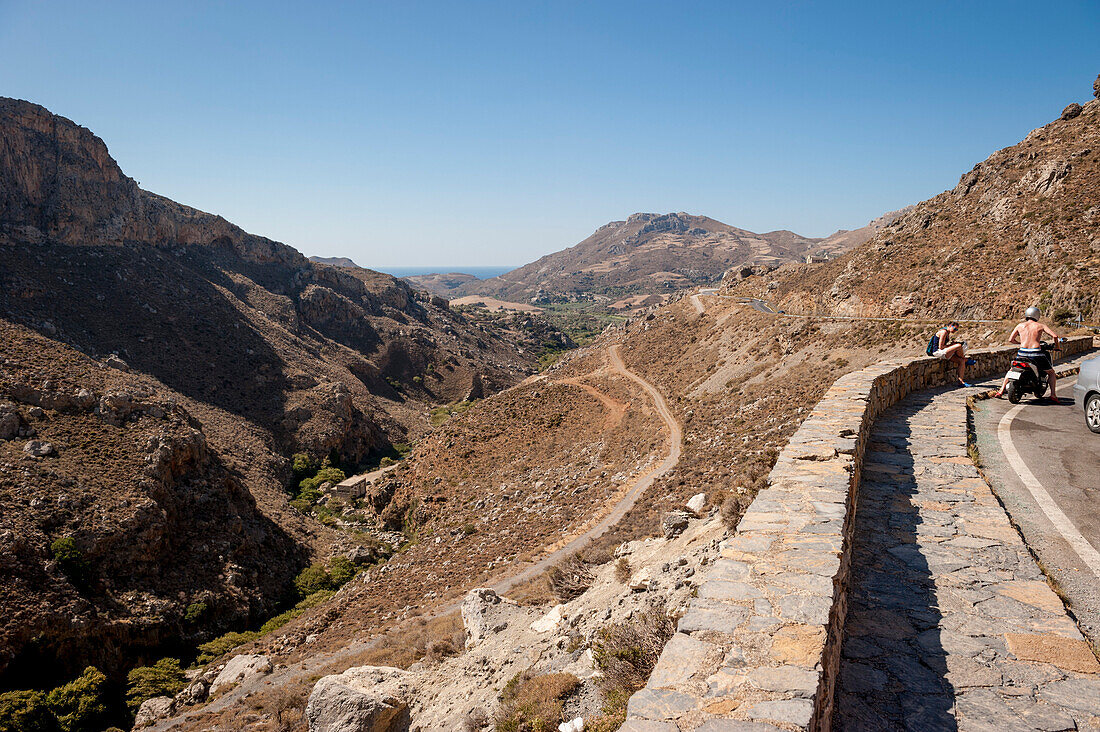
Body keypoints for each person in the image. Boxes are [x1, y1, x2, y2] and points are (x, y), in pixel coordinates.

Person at [994, 306, 1062, 401]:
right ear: (1037, 315)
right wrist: (1057, 347)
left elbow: (1011, 340)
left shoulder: (1020, 325)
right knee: (1051, 373)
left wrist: (1020, 343)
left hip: (1022, 353)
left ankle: (1001, 390)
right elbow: (1055, 336)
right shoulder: (1040, 326)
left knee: (1011, 370)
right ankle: (1053, 395)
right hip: (1036, 354)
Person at [932, 322, 974, 386]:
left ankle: (961, 382)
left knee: (961, 361)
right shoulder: (944, 332)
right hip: (938, 352)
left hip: (943, 352)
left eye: (956, 330)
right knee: (959, 346)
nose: (955, 331)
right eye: (955, 329)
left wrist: (951, 345)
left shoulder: (947, 333)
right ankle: (966, 359)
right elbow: (940, 347)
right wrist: (952, 345)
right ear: (950, 326)